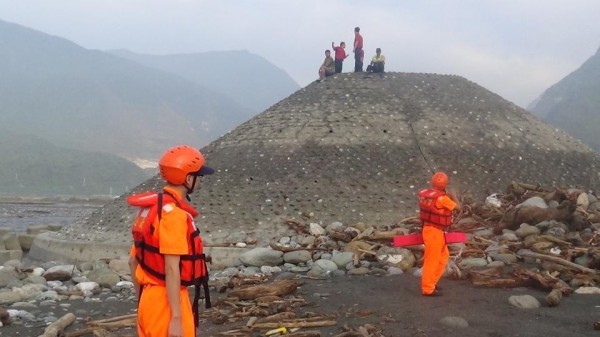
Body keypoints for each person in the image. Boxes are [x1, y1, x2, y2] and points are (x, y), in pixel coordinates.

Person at [128, 145, 214, 337]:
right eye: (199, 177)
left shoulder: (151, 209)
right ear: (188, 179)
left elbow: (132, 261)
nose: (200, 181)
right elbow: (171, 269)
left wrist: (141, 299)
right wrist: (175, 319)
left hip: (147, 299)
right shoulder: (173, 216)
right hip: (166, 303)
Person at [418, 171, 460, 297]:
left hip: (432, 230)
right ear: (445, 184)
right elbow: (456, 207)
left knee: (443, 257)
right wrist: (453, 195)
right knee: (432, 260)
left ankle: (432, 283)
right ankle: (428, 289)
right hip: (434, 232)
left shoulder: (427, 195)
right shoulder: (442, 198)